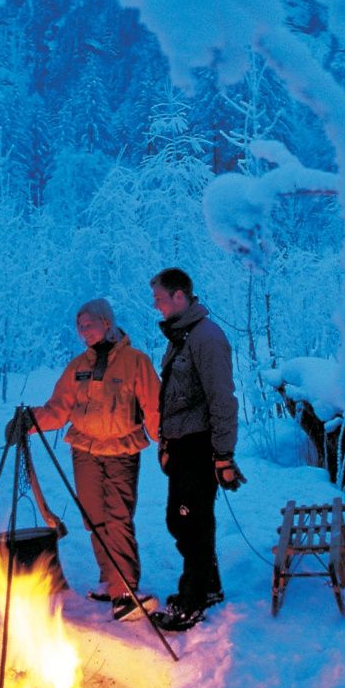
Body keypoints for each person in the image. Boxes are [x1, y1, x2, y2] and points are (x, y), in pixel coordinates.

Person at [8, 298, 162, 620]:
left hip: (121, 451)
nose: (82, 332)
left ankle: (126, 590)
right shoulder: (78, 367)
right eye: (79, 327)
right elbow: (58, 409)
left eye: (87, 325)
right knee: (94, 519)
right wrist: (30, 421)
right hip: (85, 452)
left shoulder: (136, 362)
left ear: (106, 322)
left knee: (118, 518)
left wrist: (171, 443)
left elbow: (154, 409)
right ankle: (110, 581)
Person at [147, 267, 242, 631]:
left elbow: (223, 400)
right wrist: (167, 440)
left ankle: (193, 600)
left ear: (179, 297)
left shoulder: (207, 338)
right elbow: (175, 396)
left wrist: (223, 455)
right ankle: (208, 587)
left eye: (159, 298)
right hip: (183, 446)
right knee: (184, 520)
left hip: (201, 447)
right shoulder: (182, 336)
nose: (155, 306)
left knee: (191, 522)